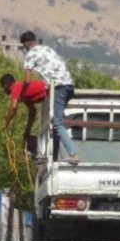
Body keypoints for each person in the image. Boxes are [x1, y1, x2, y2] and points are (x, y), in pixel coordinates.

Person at [19, 30, 79, 164]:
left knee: (57, 122)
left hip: (58, 87)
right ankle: (55, 156)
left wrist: (22, 95)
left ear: (27, 44)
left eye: (23, 46)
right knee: (55, 121)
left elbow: (27, 81)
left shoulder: (30, 54)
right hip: (69, 85)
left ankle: (73, 155)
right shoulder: (48, 49)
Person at [0, 73, 46, 143]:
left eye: (2, 87)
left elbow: (13, 108)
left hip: (52, 89)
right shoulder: (23, 94)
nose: (3, 90)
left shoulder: (16, 87)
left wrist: (6, 122)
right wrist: (27, 130)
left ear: (6, 85)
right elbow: (32, 112)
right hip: (49, 91)